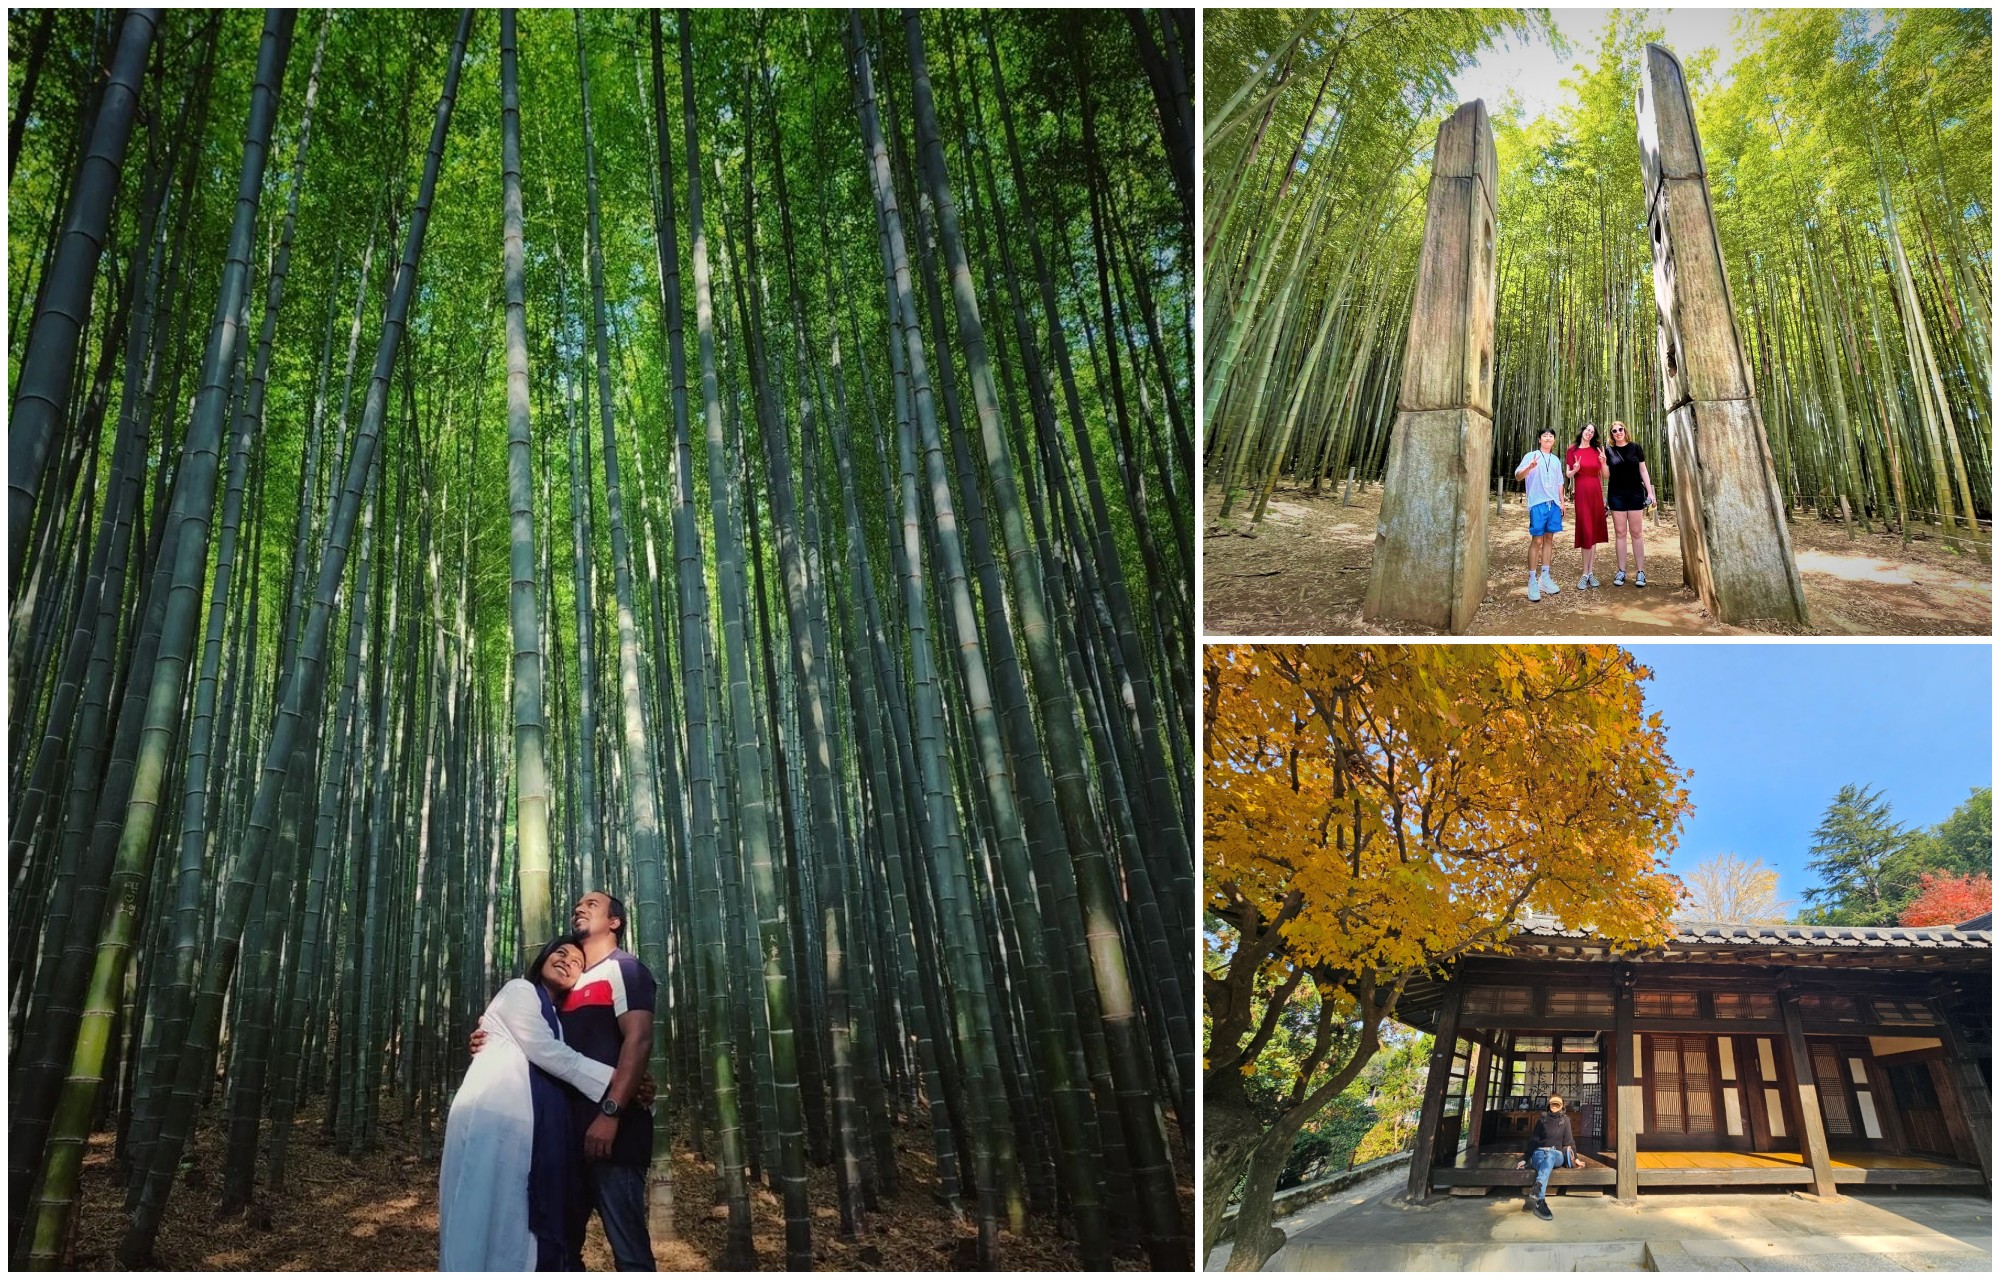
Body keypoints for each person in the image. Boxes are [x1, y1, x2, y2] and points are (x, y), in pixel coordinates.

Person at [469, 894, 659, 1270]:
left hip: (614, 1135)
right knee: (560, 1249)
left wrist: (611, 1111)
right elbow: (540, 1047)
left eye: (591, 904)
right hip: (562, 1137)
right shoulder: (566, 985)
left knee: (630, 1252)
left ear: (615, 922)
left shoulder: (625, 969)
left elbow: (639, 1039)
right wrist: (486, 1036)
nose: (579, 908)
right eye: (576, 906)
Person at [440, 936, 614, 1270]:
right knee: (482, 1208)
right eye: (560, 953)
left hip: (523, 1126)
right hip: (493, 1114)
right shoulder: (520, 990)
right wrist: (618, 1081)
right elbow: (547, 1053)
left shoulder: (557, 1017)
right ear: (543, 957)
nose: (567, 961)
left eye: (577, 962)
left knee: (513, 1217)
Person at [1512, 1092, 1587, 1220]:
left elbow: (1569, 1142)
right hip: (1539, 1153)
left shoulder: (1565, 1121)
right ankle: (1540, 1200)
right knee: (1545, 1159)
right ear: (1549, 1104)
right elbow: (1534, 1140)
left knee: (1551, 1154)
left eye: (1557, 1104)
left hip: (1556, 1155)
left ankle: (1538, 1190)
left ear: (1562, 1106)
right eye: (1553, 1103)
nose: (1554, 1106)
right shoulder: (1542, 1120)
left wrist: (1577, 1159)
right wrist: (1525, 1159)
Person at [1513, 429, 1564, 602]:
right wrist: (1529, 467)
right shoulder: (1531, 456)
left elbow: (1559, 482)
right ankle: (1532, 580)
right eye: (1545, 436)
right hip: (1537, 503)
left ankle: (1545, 577)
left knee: (1549, 539)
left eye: (1551, 436)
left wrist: (1562, 502)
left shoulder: (1556, 460)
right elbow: (1518, 476)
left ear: (1554, 440)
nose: (1548, 438)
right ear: (1539, 439)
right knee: (1537, 540)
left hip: (1554, 504)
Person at [1603, 421, 1656, 586]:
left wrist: (1650, 492)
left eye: (1620, 429)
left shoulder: (1635, 447)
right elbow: (1605, 475)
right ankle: (1621, 571)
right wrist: (1602, 461)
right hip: (1616, 494)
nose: (1618, 432)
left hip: (1635, 494)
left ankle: (1640, 572)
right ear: (1611, 434)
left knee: (1636, 533)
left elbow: (1643, 470)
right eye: (1614, 431)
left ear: (1625, 430)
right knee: (1620, 533)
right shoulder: (1608, 451)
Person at [1565, 423, 1608, 589]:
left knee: (1594, 532)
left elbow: (1605, 475)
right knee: (1586, 530)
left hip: (1596, 492)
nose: (1589, 433)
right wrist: (1575, 470)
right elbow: (1568, 474)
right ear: (1582, 431)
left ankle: (1591, 572)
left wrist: (1603, 462)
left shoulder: (1597, 450)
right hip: (1582, 493)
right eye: (1587, 430)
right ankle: (1584, 573)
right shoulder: (1572, 450)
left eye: (1592, 431)